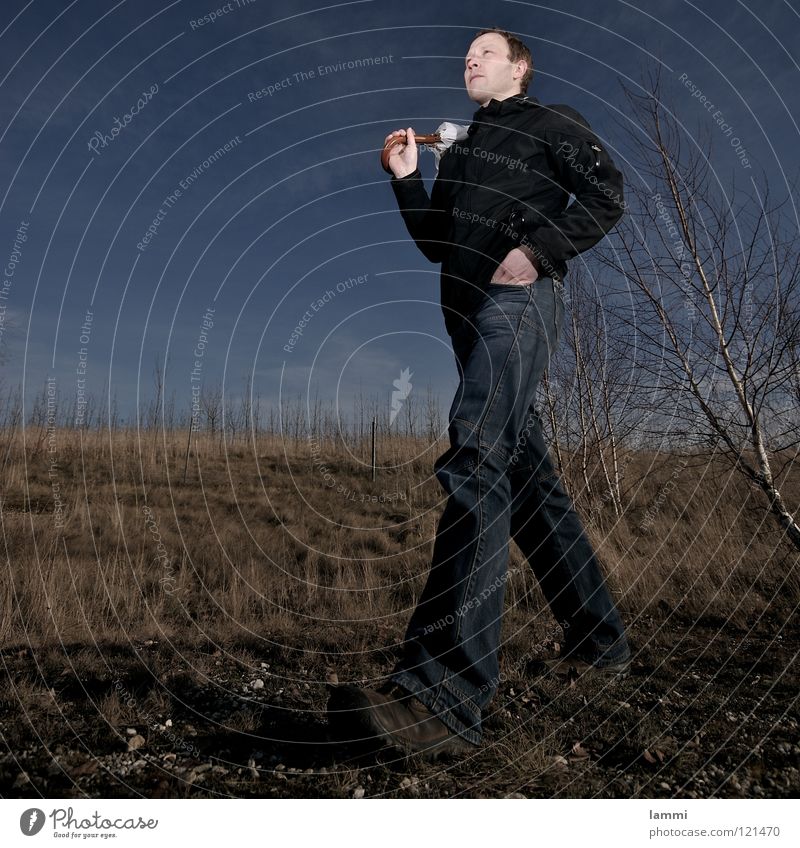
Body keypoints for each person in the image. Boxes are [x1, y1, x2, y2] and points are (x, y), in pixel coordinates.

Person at [328, 27, 632, 759]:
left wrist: (537, 252)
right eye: (467, 53)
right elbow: (435, 239)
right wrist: (407, 176)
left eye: (486, 51)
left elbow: (605, 193)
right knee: (526, 473)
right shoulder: (461, 153)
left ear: (519, 68)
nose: (470, 59)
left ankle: (444, 696)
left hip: (519, 304)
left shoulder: (550, 122)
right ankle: (599, 637)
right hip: (467, 320)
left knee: (476, 455)